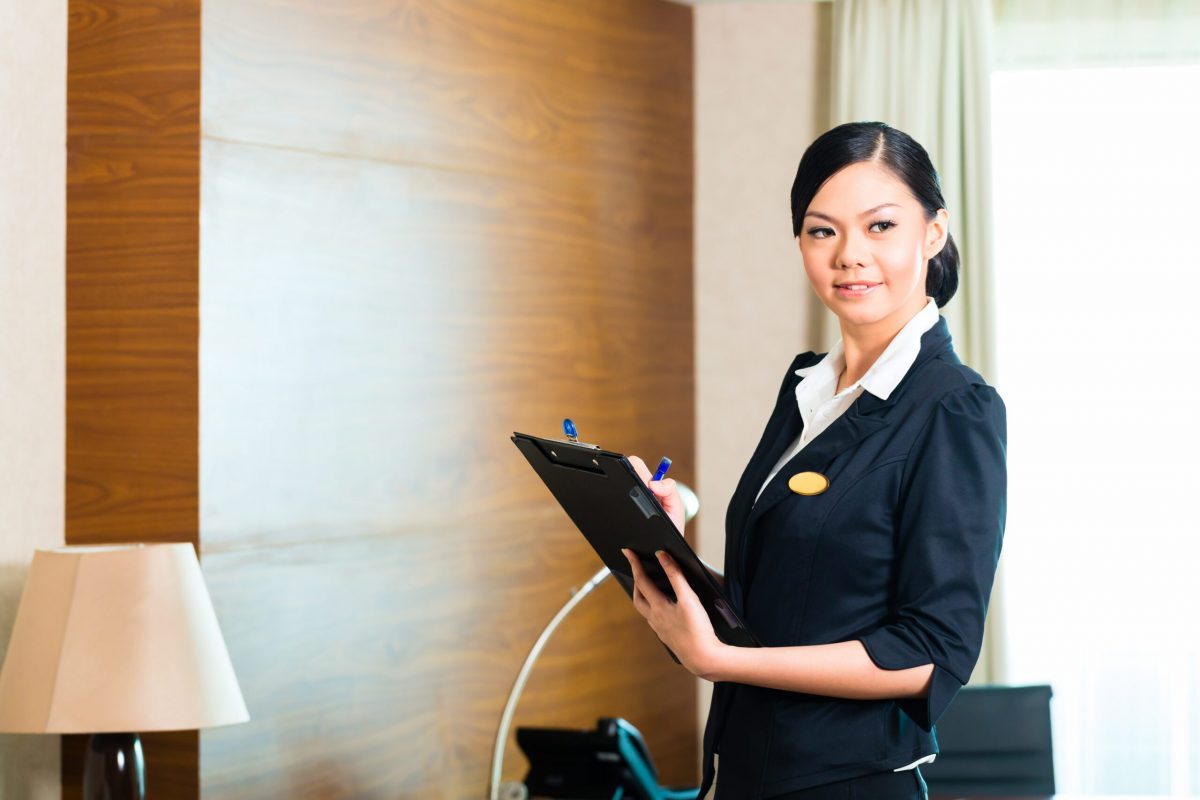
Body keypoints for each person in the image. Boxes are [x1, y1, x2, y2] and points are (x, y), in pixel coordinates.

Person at [621, 121, 1007, 799]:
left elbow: (931, 651)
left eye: (880, 226)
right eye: (822, 230)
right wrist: (665, 545)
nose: (849, 256)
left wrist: (723, 661)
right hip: (745, 773)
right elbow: (784, 601)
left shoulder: (954, 409)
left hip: (849, 784)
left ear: (934, 233)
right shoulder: (810, 386)